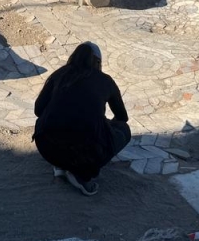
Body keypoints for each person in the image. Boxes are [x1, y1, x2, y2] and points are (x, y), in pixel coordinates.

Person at [33, 42, 131, 196]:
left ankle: (60, 166)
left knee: (50, 123)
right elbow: (122, 117)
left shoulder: (59, 74)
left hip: (48, 148)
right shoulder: (105, 80)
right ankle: (81, 176)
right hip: (86, 155)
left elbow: (38, 110)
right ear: (97, 62)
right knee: (124, 130)